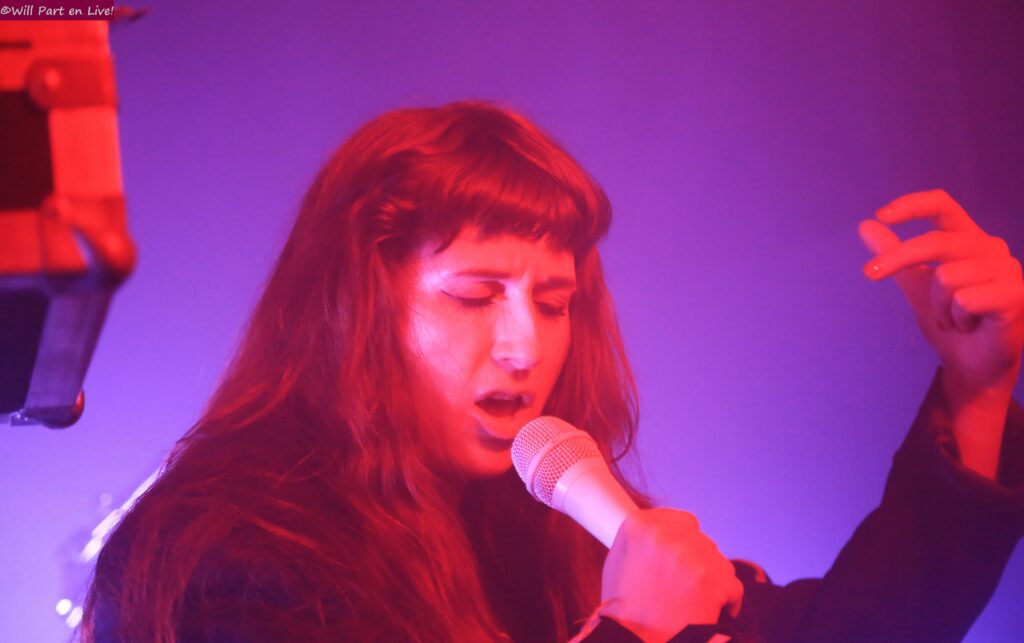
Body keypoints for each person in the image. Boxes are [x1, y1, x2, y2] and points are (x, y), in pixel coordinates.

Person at [84, 101, 1024, 643]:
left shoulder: (539, 524)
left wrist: (976, 388)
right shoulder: (229, 556)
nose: (524, 346)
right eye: (474, 296)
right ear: (358, 310)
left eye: (553, 299)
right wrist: (630, 631)